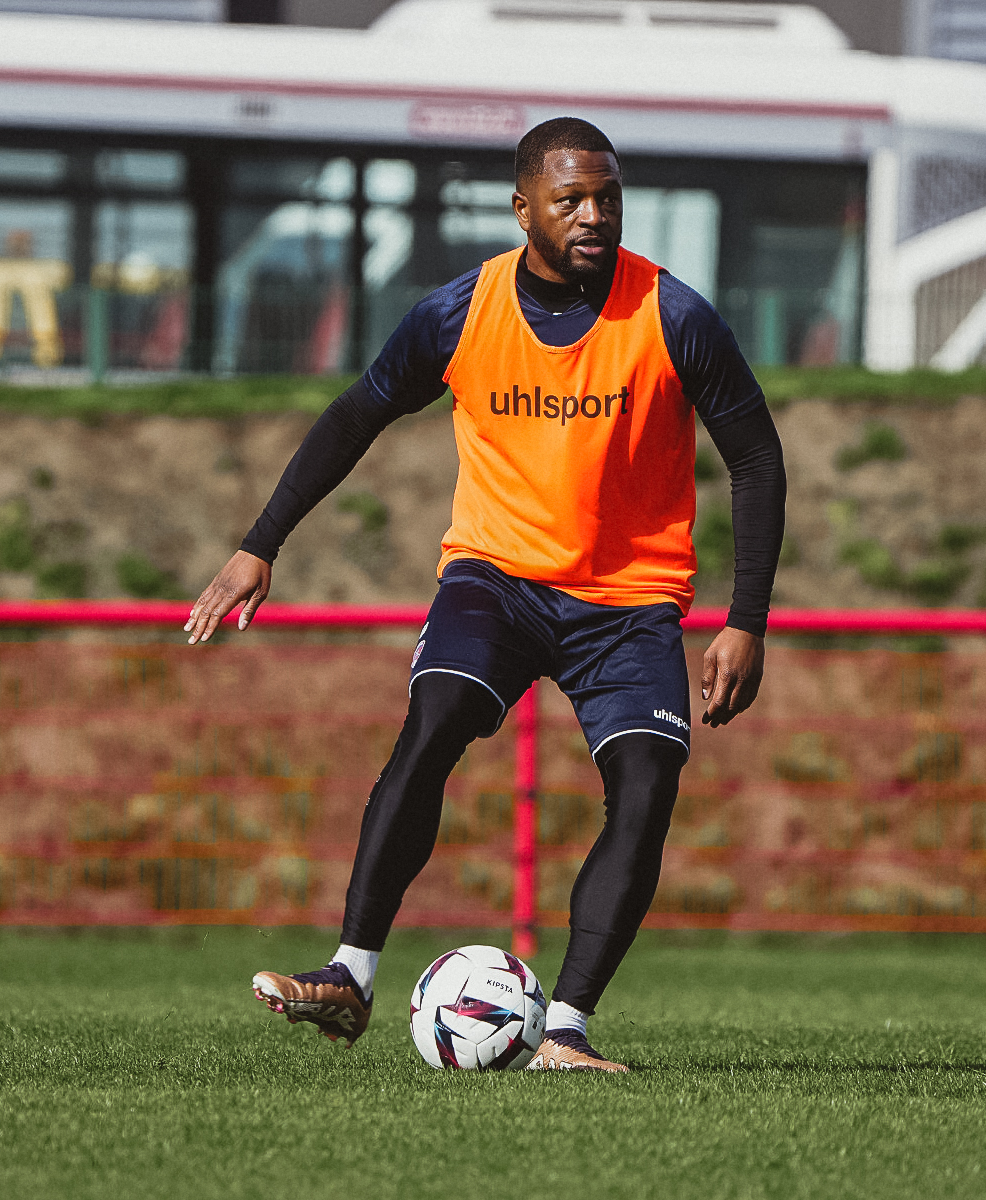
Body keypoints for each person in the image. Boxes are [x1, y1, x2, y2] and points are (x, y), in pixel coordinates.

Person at [183, 117, 786, 1072]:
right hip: (495, 580)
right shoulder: (459, 313)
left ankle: (567, 1031)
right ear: (522, 209)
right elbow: (358, 413)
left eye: (608, 198)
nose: (594, 216)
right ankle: (350, 976)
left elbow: (755, 455)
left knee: (645, 785)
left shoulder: (673, 314)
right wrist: (261, 543)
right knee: (435, 721)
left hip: (629, 603)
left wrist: (746, 619)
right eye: (571, 199)